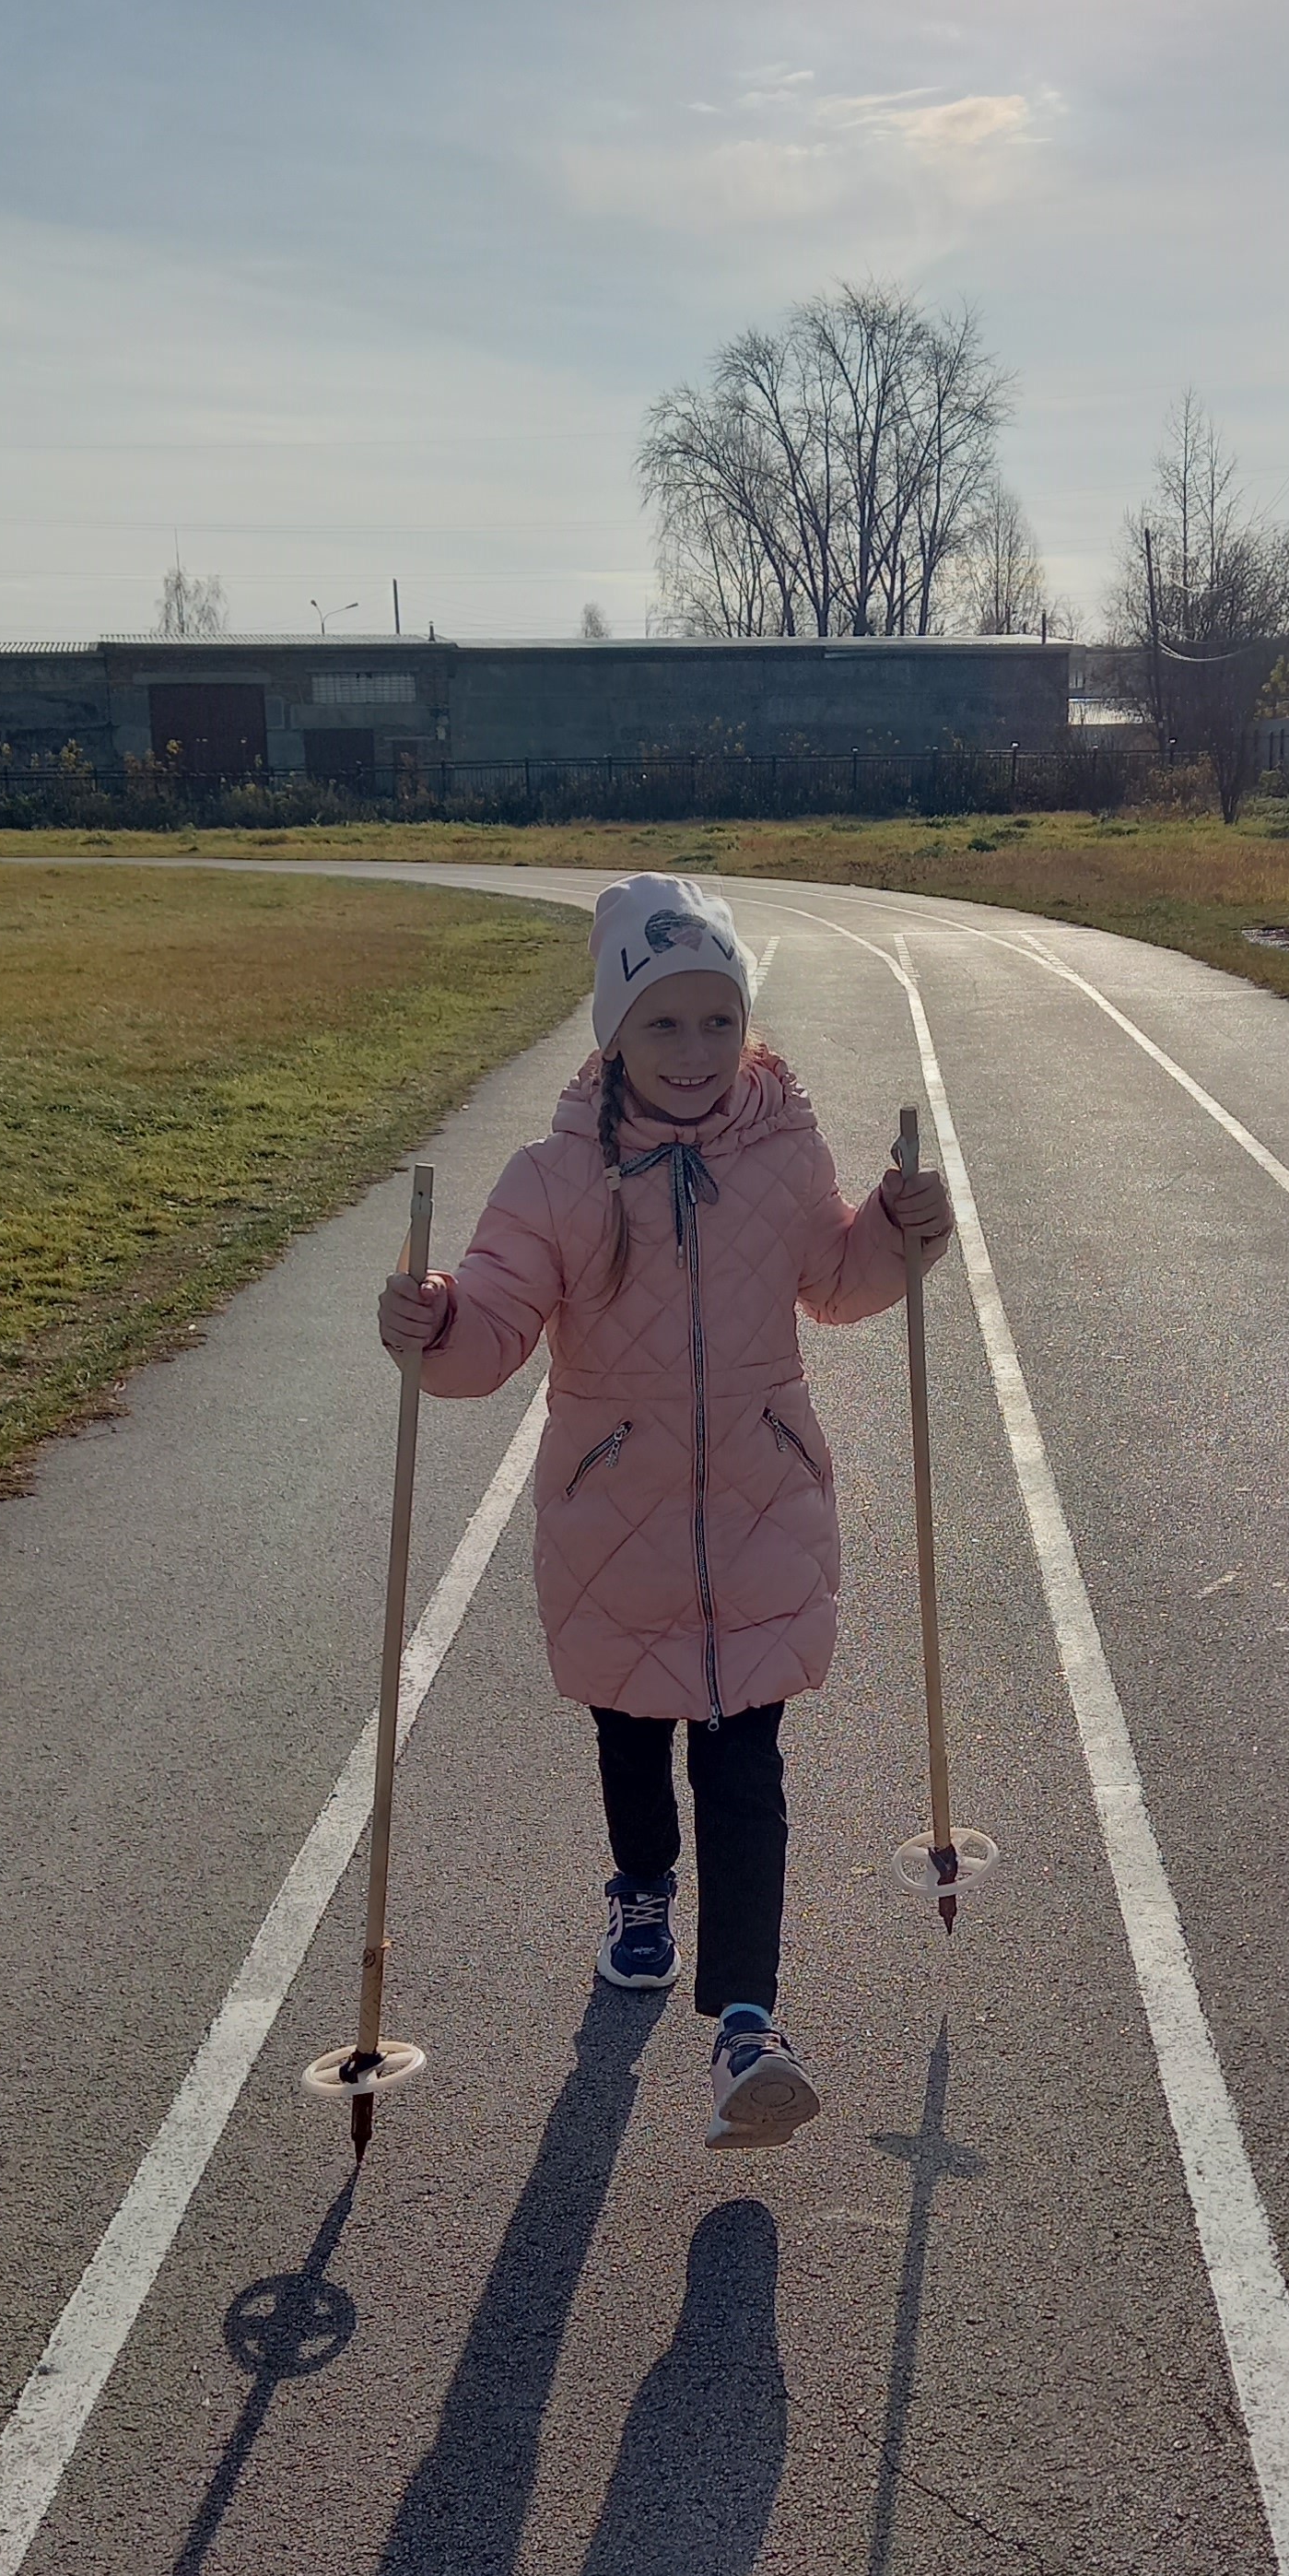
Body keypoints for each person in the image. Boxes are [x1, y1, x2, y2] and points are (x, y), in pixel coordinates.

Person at [379, 874, 952, 2148]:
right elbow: (487, 1336)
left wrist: (900, 1231)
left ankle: (749, 2025)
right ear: (614, 1035)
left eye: (718, 1021)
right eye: (663, 1024)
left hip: (761, 1509)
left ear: (746, 1023)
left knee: (746, 1764)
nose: (695, 1052)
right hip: (614, 1521)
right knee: (633, 1735)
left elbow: (837, 1282)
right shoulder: (554, 1180)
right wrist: (434, 1323)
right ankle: (641, 1887)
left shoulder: (784, 1150)